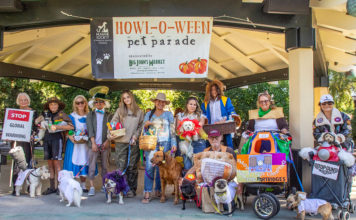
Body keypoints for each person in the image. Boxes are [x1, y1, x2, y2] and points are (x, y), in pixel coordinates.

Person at [141, 93, 177, 204]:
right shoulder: (149, 114)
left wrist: (173, 143)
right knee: (150, 166)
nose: (160, 103)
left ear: (165, 103)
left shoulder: (169, 115)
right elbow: (143, 127)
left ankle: (158, 190)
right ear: (155, 102)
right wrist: (146, 125)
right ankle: (147, 192)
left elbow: (172, 130)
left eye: (163, 102)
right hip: (151, 143)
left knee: (161, 167)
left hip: (165, 143)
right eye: (158, 101)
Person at [109, 90, 144, 197]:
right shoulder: (120, 110)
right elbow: (112, 124)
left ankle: (131, 189)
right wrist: (110, 135)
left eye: (128, 97)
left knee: (132, 167)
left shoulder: (139, 112)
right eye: (124, 98)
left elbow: (141, 126)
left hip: (133, 142)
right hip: (121, 142)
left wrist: (135, 136)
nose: (126, 99)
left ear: (132, 98)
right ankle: (119, 189)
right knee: (121, 167)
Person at [39, 97, 74, 195]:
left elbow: (71, 126)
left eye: (55, 104)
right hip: (47, 140)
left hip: (57, 140)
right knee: (50, 164)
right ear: (48, 106)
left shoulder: (62, 114)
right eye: (51, 104)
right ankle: (52, 187)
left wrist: (58, 126)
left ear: (58, 105)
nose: (53, 106)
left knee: (57, 164)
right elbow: (37, 122)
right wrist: (40, 124)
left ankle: (60, 186)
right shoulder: (45, 114)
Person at [63, 95, 93, 193]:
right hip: (74, 144)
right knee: (74, 162)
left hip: (85, 144)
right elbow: (68, 129)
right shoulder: (71, 116)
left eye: (82, 102)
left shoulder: (90, 116)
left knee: (85, 161)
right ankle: (73, 185)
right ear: (75, 105)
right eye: (77, 103)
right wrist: (71, 136)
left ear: (85, 103)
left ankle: (83, 185)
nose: (80, 104)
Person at [86, 86, 112, 196]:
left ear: (104, 104)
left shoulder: (109, 115)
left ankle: (104, 185)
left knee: (105, 166)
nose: (99, 104)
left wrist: (107, 141)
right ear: (94, 103)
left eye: (101, 102)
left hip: (105, 143)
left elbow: (112, 130)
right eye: (96, 102)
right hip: (93, 144)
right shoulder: (90, 115)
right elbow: (90, 129)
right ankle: (91, 186)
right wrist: (93, 143)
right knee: (92, 165)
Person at [10, 93, 38, 195]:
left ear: (28, 100)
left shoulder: (33, 112)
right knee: (17, 164)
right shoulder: (14, 112)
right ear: (18, 101)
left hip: (28, 141)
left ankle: (30, 187)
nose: (23, 102)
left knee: (29, 163)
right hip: (17, 141)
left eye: (25, 100)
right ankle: (16, 187)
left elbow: (36, 127)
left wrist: (33, 134)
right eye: (21, 100)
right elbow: (10, 126)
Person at [201, 80, 237, 149]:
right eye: (211, 90)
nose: (213, 92)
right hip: (210, 129)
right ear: (209, 91)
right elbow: (203, 115)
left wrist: (227, 119)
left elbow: (231, 111)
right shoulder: (205, 103)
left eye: (215, 89)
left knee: (227, 148)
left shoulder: (225, 100)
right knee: (209, 148)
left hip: (224, 127)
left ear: (219, 90)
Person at [176, 97, 206, 171]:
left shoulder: (200, 116)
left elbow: (201, 126)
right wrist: (183, 131)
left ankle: (198, 182)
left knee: (199, 167)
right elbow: (177, 129)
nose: (192, 106)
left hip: (198, 142)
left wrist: (194, 128)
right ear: (187, 105)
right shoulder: (180, 115)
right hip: (185, 143)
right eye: (191, 104)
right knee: (187, 167)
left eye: (194, 105)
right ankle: (187, 182)